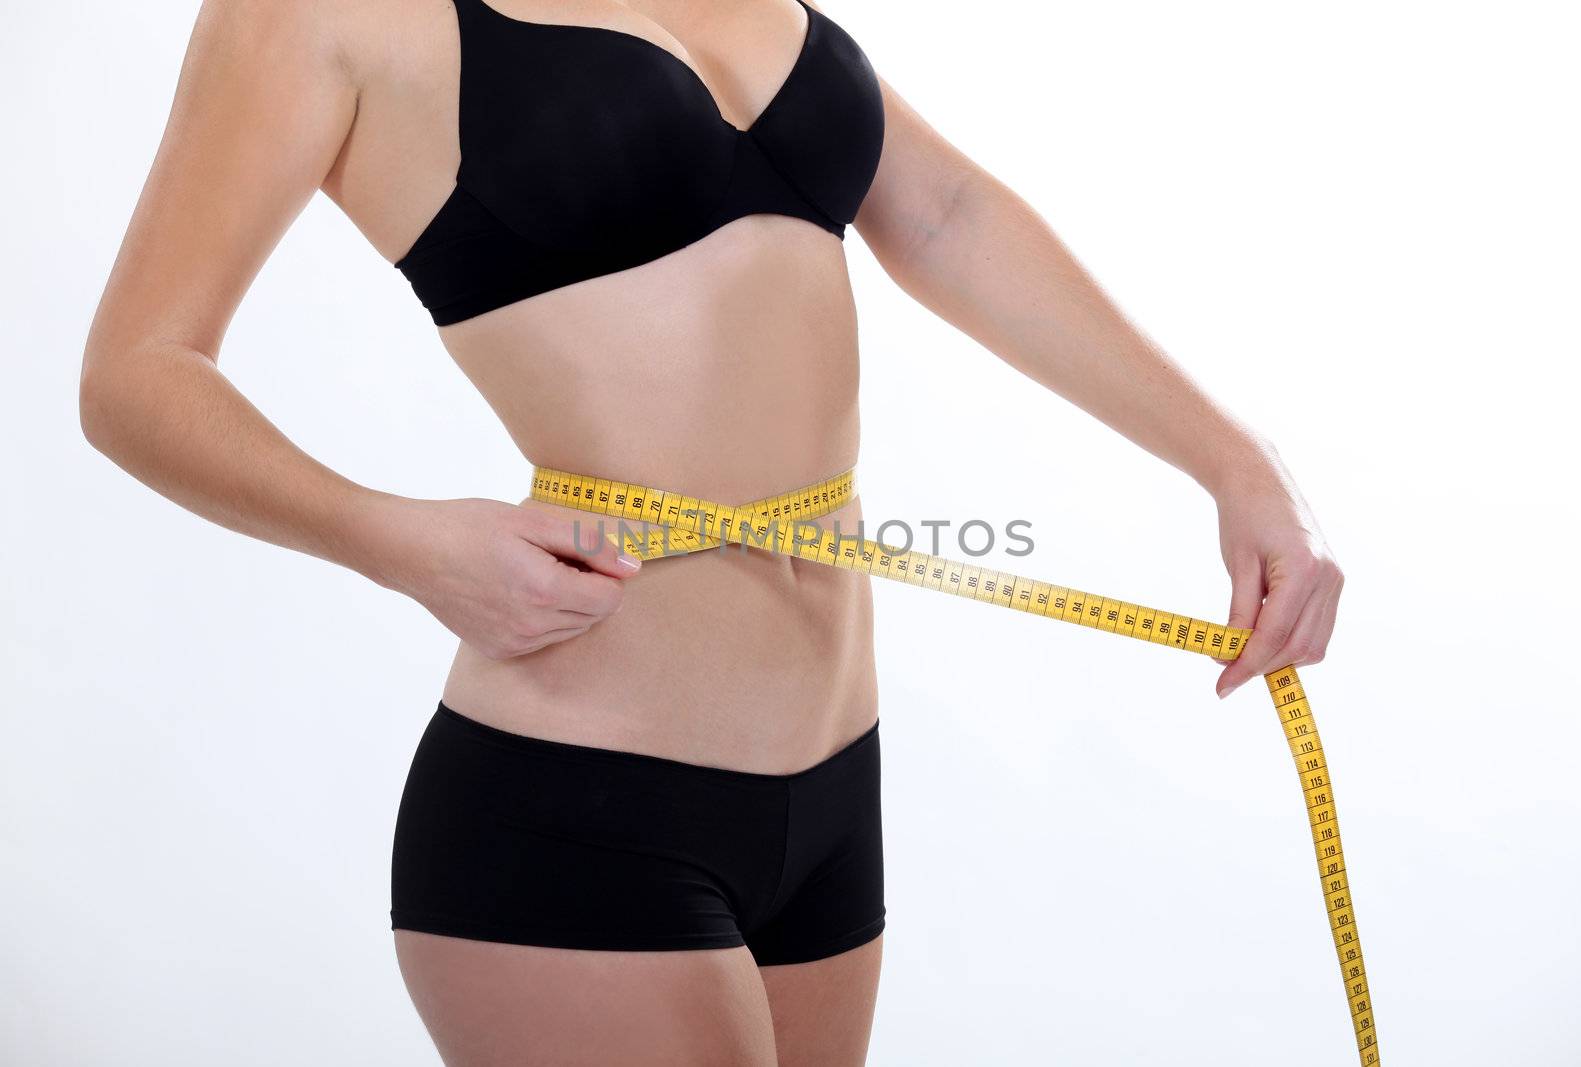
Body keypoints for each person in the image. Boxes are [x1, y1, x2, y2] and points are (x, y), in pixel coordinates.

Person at [78, 0, 1344, 1063]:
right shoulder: (324, 13)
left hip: (835, 781)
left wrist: (1234, 460)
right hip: (583, 800)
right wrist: (401, 540)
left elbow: (944, 209)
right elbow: (135, 371)